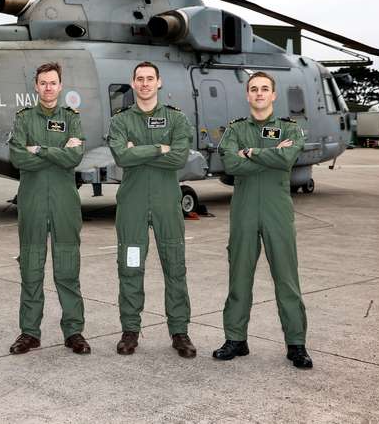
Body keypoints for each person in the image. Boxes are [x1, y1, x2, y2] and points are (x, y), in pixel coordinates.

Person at [214, 71, 313, 369]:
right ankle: (235, 338)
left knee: (286, 278)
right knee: (239, 276)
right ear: (247, 95)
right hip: (244, 210)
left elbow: (287, 159)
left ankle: (296, 344)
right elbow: (230, 164)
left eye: (264, 89)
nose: (259, 93)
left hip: (277, 211)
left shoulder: (290, 129)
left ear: (273, 95)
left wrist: (250, 153)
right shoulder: (235, 130)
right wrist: (267, 155)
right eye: (254, 89)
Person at [107, 61, 196, 358]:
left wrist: (138, 152)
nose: (145, 84)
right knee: (131, 267)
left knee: (175, 266)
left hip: (166, 205)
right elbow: (121, 156)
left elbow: (180, 157)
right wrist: (160, 148)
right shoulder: (120, 120)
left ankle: (180, 332)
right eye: (139, 79)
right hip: (132, 205)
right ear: (133, 84)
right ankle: (130, 330)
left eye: (150, 79)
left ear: (159, 83)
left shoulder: (177, 119)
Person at [7, 62, 90, 355]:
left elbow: (75, 157)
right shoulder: (24, 119)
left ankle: (74, 331)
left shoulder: (72, 119)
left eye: (53, 82)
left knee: (67, 267)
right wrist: (59, 152)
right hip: (32, 201)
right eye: (43, 83)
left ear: (60, 85)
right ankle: (29, 332)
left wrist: (39, 149)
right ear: (36, 86)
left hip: (65, 201)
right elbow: (17, 157)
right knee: (31, 267)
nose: (48, 88)